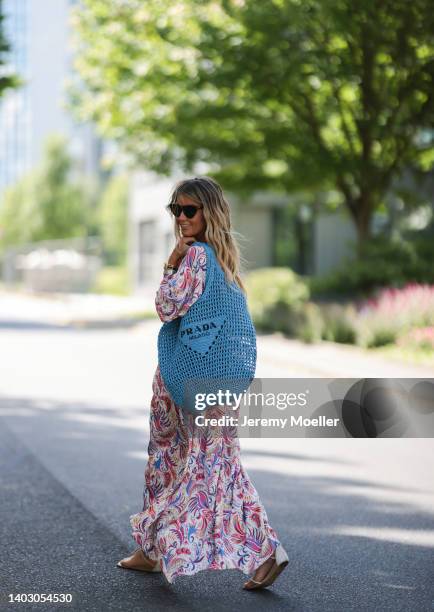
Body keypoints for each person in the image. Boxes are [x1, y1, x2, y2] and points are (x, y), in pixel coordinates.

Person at [117, 176, 288, 590]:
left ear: (208, 212)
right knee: (204, 462)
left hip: (186, 383)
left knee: (176, 461)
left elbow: (165, 305)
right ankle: (152, 551)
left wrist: (171, 261)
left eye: (189, 210)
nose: (180, 218)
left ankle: (267, 550)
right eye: (175, 210)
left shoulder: (194, 257)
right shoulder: (224, 260)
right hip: (217, 384)